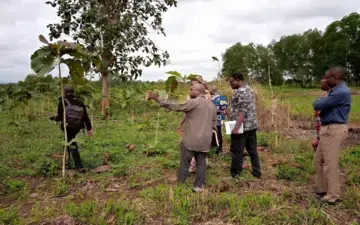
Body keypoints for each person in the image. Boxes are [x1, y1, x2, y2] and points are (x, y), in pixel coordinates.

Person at [147, 84, 217, 192]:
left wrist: (157, 98)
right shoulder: (212, 105)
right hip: (205, 141)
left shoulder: (193, 102)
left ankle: (180, 186)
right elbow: (214, 123)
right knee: (201, 164)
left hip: (190, 140)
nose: (189, 91)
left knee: (185, 164)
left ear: (198, 91)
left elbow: (175, 106)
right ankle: (199, 186)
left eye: (191, 89)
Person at [313, 66, 351, 204]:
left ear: (335, 77)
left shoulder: (340, 92)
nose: (325, 80)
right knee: (319, 160)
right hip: (328, 129)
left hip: (334, 130)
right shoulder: (335, 91)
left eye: (327, 77)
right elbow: (321, 104)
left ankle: (333, 196)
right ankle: (324, 189)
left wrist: (318, 101)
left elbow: (317, 105)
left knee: (330, 163)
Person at [51, 85, 93, 172]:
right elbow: (85, 117)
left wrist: (54, 118)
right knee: (69, 142)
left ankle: (79, 166)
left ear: (65, 92)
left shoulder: (63, 102)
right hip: (77, 127)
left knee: (71, 144)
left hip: (67, 126)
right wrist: (89, 128)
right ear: (73, 92)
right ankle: (68, 163)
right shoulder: (79, 102)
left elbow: (60, 116)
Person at [228, 72, 261, 179]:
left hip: (241, 126)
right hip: (251, 126)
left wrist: (236, 128)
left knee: (237, 151)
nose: (230, 84)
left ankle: (236, 174)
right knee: (252, 150)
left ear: (238, 80)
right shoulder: (249, 90)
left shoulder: (240, 92)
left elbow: (242, 111)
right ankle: (257, 172)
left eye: (232, 82)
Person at [311, 77, 330, 150]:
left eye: (322, 84)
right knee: (316, 143)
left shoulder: (330, 96)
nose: (320, 86)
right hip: (319, 125)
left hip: (324, 125)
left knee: (316, 143)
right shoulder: (326, 95)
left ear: (328, 85)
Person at [210, 85, 228, 154]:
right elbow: (226, 108)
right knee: (219, 132)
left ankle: (217, 149)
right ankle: (219, 148)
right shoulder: (223, 97)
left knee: (216, 133)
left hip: (215, 118)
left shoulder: (213, 99)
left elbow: (213, 109)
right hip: (222, 117)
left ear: (212, 91)